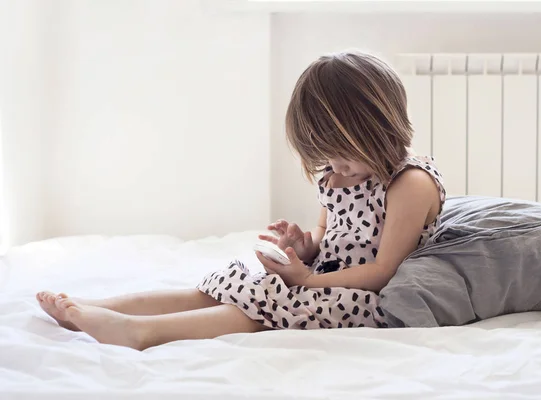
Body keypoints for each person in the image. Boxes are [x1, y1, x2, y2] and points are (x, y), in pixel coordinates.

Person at [36, 51, 446, 350]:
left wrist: (306, 281)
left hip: (363, 299)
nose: (334, 167)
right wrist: (304, 247)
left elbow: (381, 270)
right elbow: (328, 235)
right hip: (320, 279)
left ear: (379, 127)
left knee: (259, 310)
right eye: (327, 156)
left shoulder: (408, 183)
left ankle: (138, 332)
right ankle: (97, 307)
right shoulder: (340, 176)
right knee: (223, 288)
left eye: (341, 152)